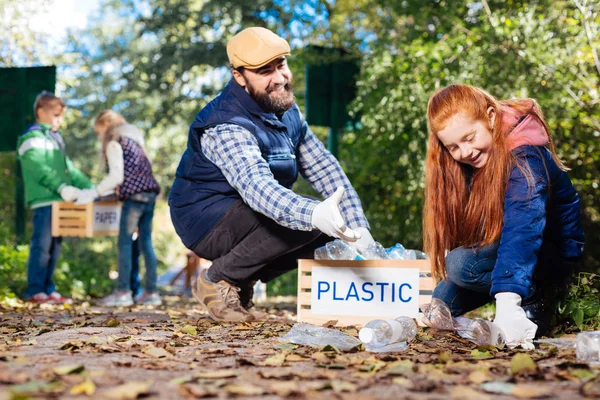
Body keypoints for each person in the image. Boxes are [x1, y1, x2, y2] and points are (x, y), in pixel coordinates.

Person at [169, 27, 375, 322]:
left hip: (246, 212)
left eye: (281, 65)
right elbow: (258, 189)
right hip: (205, 219)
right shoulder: (226, 123)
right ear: (239, 76)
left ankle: (240, 280)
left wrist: (359, 229)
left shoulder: (287, 110)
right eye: (264, 71)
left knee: (330, 235)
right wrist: (313, 213)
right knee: (304, 221)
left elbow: (325, 169)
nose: (279, 77)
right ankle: (218, 279)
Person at [423, 84, 585, 349]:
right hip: (507, 249)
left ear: (490, 117)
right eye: (453, 147)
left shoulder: (526, 157)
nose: (464, 152)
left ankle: (536, 297)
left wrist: (509, 300)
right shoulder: (472, 162)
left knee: (460, 265)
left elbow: (524, 228)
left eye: (469, 137)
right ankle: (512, 286)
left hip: (550, 251)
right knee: (442, 302)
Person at [77, 110, 161, 306]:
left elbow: (117, 176)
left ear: (106, 125)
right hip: (149, 195)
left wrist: (95, 191)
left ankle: (122, 292)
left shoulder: (115, 142)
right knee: (146, 243)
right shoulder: (136, 142)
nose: (99, 137)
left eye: (99, 132)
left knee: (124, 242)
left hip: (133, 199)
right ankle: (151, 292)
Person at [17, 91, 94, 304]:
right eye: (56, 115)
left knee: (54, 247)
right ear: (41, 112)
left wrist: (91, 188)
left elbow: (69, 169)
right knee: (41, 246)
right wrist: (61, 187)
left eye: (61, 116)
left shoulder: (55, 139)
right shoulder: (30, 138)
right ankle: (35, 290)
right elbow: (38, 169)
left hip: (60, 203)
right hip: (43, 201)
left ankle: (48, 288)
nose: (59, 120)